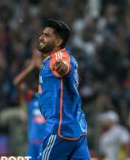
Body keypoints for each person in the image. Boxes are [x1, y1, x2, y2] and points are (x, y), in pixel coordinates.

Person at [36, 19, 89, 160]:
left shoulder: (59, 57)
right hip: (76, 131)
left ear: (58, 42)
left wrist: (63, 68)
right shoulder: (50, 60)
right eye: (42, 34)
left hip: (60, 130)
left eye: (47, 35)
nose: (41, 37)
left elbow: (65, 65)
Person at [13, 49, 46, 159]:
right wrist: (31, 67)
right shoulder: (31, 97)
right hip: (32, 141)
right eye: (37, 81)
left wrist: (40, 66)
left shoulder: (51, 96)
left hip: (47, 142)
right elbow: (17, 82)